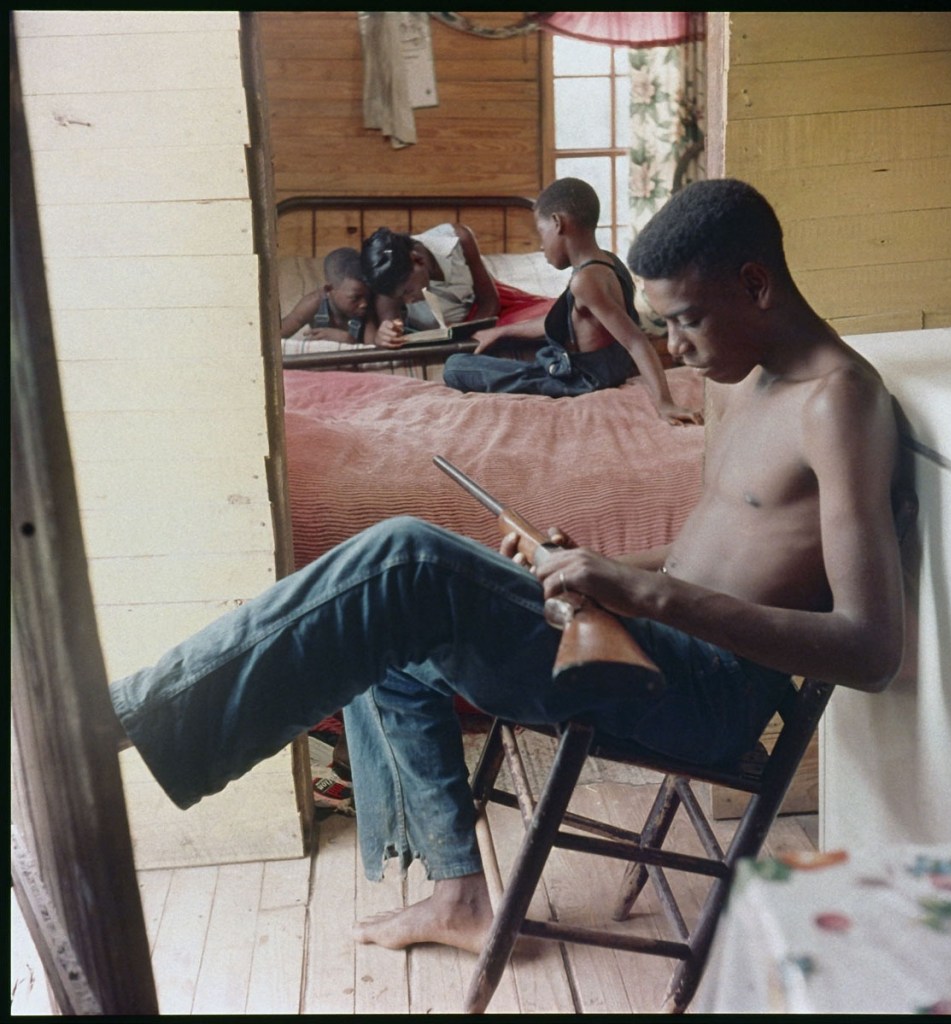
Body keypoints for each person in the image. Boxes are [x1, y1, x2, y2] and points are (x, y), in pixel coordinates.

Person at [108, 178, 905, 957]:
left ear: (755, 283)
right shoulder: (741, 380)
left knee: (403, 556)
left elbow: (867, 651)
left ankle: (136, 716)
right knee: (387, 627)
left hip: (705, 693)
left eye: (686, 321)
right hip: (646, 635)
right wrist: (592, 568)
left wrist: (642, 591)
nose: (673, 348)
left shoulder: (837, 404)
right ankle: (459, 898)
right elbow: (708, 549)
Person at [442, 177, 700, 425]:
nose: (542, 246)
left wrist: (665, 403)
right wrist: (501, 331)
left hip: (579, 379)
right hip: (604, 368)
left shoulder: (585, 282)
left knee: (455, 367)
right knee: (513, 353)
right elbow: (564, 321)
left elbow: (635, 340)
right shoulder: (608, 261)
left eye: (541, 233)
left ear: (557, 223)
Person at [360, 221, 501, 348]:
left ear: (417, 259)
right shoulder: (388, 281)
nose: (408, 301)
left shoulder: (457, 240)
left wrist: (466, 331)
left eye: (407, 291)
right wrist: (385, 335)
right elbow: (388, 329)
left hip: (476, 321)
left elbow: (490, 301)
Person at [280, 247, 373, 353]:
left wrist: (348, 340)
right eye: (355, 297)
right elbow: (276, 336)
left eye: (368, 295)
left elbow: (373, 352)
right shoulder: (313, 303)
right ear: (329, 289)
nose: (364, 303)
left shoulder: (368, 310)